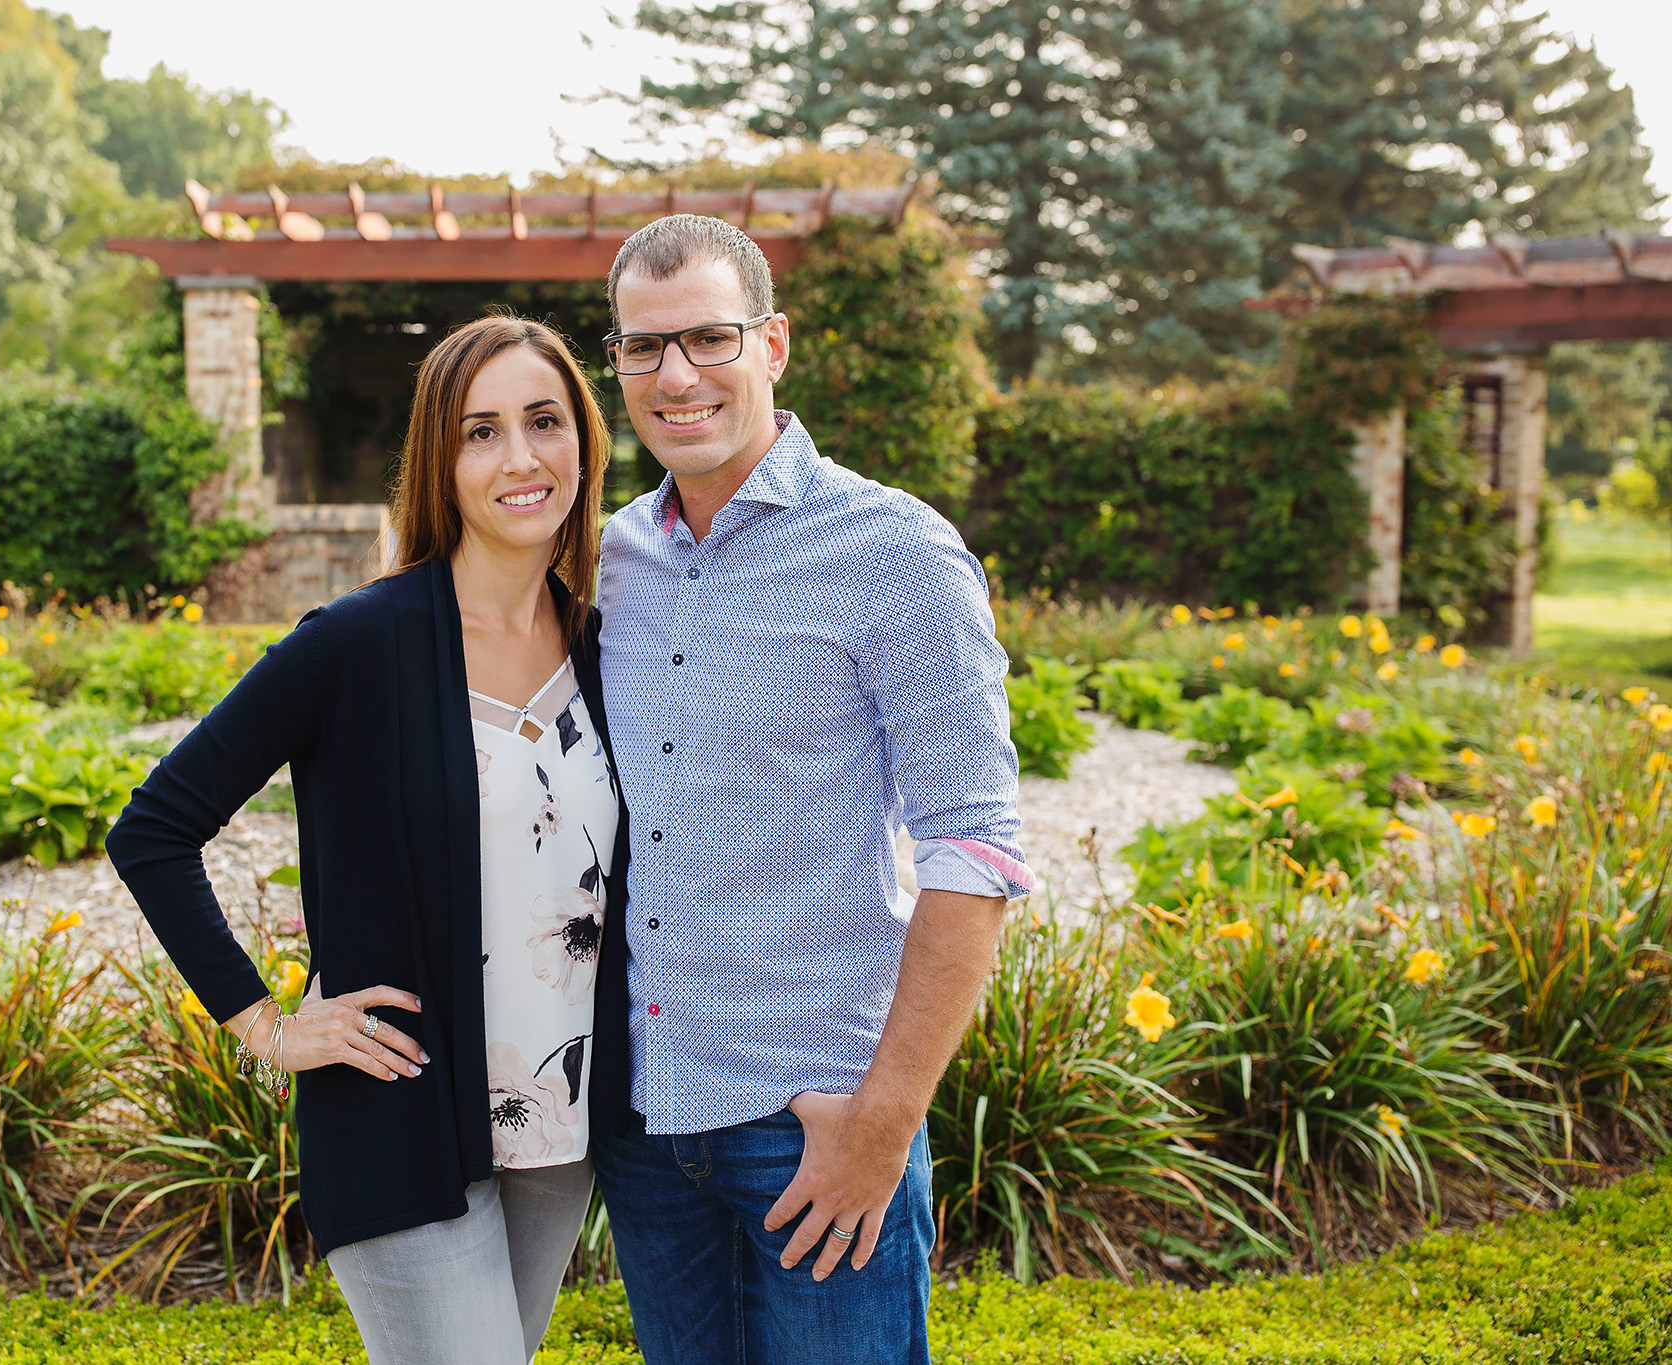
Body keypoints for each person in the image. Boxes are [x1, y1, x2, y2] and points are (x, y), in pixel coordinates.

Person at [106, 315, 631, 1365]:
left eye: (543, 421)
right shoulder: (354, 644)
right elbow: (153, 830)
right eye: (480, 432)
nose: (520, 458)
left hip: (557, 1132)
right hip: (398, 1119)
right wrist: (262, 1025)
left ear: (584, 438)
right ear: (439, 459)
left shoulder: (602, 643)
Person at [587, 215, 1032, 1363]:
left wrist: (881, 1128)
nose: (674, 376)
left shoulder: (896, 555)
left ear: (772, 344)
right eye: (643, 348)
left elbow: (973, 852)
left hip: (815, 1123)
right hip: (647, 1120)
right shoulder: (605, 562)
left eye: (707, 338)